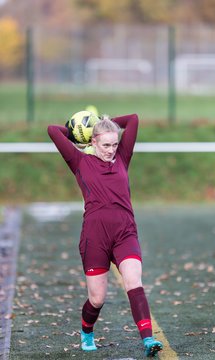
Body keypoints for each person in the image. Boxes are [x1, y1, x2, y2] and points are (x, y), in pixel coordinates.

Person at [47, 113, 163, 357]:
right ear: (93, 143)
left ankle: (148, 339)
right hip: (94, 238)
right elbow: (52, 130)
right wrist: (76, 131)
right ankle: (87, 330)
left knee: (134, 282)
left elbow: (133, 119)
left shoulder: (123, 158)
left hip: (125, 233)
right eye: (106, 144)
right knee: (97, 299)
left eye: (114, 144)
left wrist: (104, 118)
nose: (111, 149)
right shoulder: (79, 162)